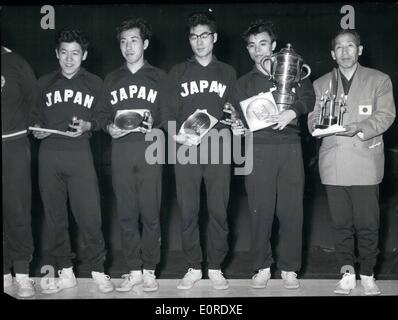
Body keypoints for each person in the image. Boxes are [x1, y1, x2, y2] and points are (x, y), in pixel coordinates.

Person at [307, 29, 396, 296]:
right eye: (339, 48)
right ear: (332, 54)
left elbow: (386, 115)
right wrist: (316, 125)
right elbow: (312, 117)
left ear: (360, 50)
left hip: (366, 160)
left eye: (350, 46)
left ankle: (368, 273)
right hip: (333, 161)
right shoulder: (321, 83)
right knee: (340, 223)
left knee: (368, 223)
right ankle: (346, 272)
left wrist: (357, 127)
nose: (345, 52)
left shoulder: (379, 80)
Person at [231, 20, 315, 289]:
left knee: (292, 210)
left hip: (290, 148)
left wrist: (294, 110)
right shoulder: (242, 83)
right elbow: (236, 118)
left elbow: (309, 97)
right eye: (252, 46)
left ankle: (290, 268)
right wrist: (236, 127)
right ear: (248, 49)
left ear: (274, 45)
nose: (258, 51)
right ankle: (262, 266)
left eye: (263, 44)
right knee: (260, 212)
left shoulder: (293, 72)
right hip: (258, 151)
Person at [31, 28, 114, 294]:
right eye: (64, 53)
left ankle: (98, 270)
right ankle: (65, 271)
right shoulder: (43, 82)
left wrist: (90, 124)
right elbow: (33, 117)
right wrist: (37, 128)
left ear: (84, 55)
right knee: (55, 218)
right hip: (49, 156)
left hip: (80, 154)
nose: (69, 58)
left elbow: (104, 116)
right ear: (57, 54)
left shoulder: (95, 83)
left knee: (90, 216)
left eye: (75, 53)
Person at [162, 11, 237, 290]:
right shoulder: (178, 72)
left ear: (214, 38)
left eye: (205, 36)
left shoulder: (228, 72)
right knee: (188, 212)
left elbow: (234, 112)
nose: (199, 42)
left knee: (218, 211)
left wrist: (233, 117)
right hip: (186, 151)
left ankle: (216, 267)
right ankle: (194, 266)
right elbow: (166, 113)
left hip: (218, 150)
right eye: (194, 37)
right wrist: (176, 137)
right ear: (189, 40)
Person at [96, 17, 165, 292]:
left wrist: (155, 124)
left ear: (145, 43)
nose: (128, 46)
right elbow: (100, 114)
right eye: (123, 41)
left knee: (150, 213)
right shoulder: (111, 79)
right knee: (126, 214)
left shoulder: (160, 77)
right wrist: (107, 126)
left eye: (134, 40)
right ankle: (133, 269)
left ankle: (150, 270)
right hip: (122, 153)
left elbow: (169, 115)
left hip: (150, 151)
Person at [2, 46, 37, 298]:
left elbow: (34, 101)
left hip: (12, 144)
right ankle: (3, 275)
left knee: (17, 209)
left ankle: (23, 274)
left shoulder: (15, 61)